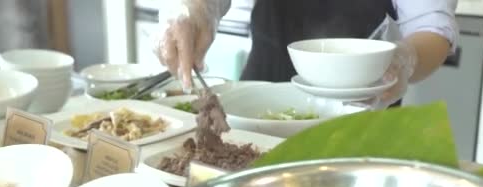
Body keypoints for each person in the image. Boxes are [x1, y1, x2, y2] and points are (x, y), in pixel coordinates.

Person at [155, 0, 458, 108]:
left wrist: (404, 61)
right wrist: (195, 8)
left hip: (357, 105)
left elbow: (432, 27)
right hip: (262, 97)